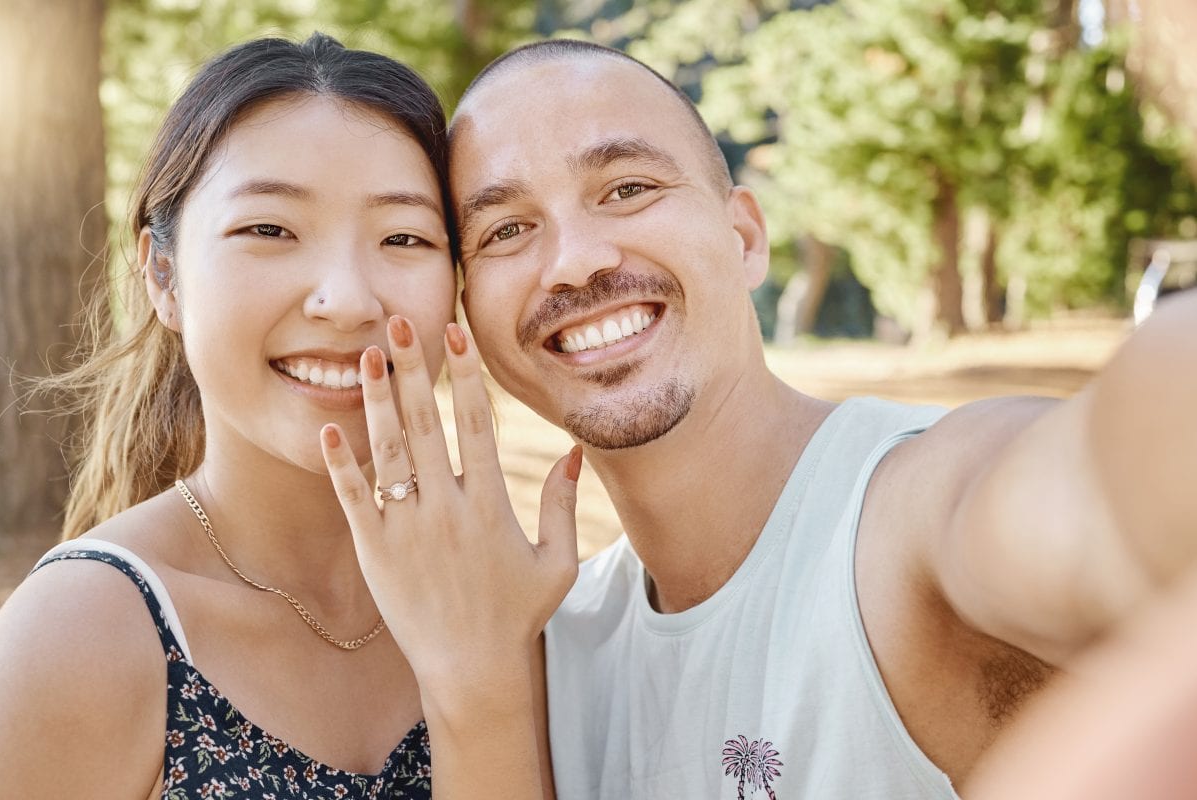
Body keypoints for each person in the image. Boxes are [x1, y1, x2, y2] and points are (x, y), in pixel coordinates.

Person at [335, 35, 1194, 799]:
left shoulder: (913, 514)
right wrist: (472, 679)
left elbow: (1099, 480)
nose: (574, 262)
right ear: (468, 316)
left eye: (627, 187)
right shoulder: (551, 646)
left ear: (744, 237)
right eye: (507, 230)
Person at [0, 33, 574, 799]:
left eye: (403, 237)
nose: (344, 300)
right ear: (164, 277)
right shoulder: (79, 635)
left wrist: (484, 671)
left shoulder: (515, 599)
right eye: (269, 230)